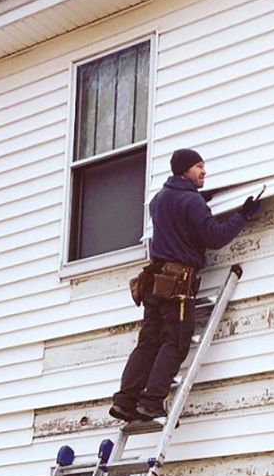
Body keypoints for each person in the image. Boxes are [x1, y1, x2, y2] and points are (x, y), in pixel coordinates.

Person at [110, 148, 260, 425]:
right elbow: (215, 236)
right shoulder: (191, 203)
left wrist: (198, 199)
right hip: (177, 284)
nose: (204, 171)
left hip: (154, 283)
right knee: (176, 342)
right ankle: (152, 402)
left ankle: (124, 401)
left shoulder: (159, 200)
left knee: (148, 343)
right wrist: (243, 215)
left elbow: (175, 212)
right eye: (199, 167)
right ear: (184, 170)